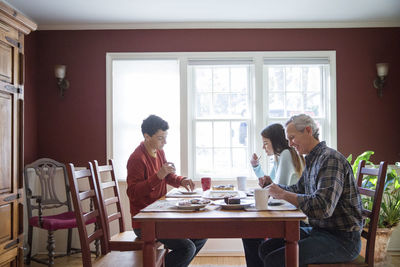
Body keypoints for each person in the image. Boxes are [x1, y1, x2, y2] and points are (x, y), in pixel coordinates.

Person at [247, 114, 363, 267]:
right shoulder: (313, 159)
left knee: (274, 260)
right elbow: (297, 189)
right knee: (265, 249)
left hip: (343, 240)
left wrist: (283, 194)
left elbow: (323, 208)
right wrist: (273, 185)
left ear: (308, 131)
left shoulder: (330, 159)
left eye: (292, 137)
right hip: (321, 231)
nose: (290, 143)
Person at [126, 115, 207, 267]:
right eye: (160, 138)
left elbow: (166, 176)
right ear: (147, 136)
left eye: (165, 137)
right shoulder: (137, 159)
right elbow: (133, 193)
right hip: (145, 224)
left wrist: (181, 180)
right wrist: (158, 176)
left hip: (161, 216)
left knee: (202, 233)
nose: (165, 142)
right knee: (188, 248)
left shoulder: (159, 151)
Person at [243, 123, 304, 266]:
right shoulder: (281, 156)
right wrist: (256, 167)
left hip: (292, 215)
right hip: (286, 209)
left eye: (266, 143)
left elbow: (276, 190)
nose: (263, 147)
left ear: (275, 141)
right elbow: (272, 184)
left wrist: (267, 186)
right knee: (249, 232)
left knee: (249, 232)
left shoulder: (286, 155)